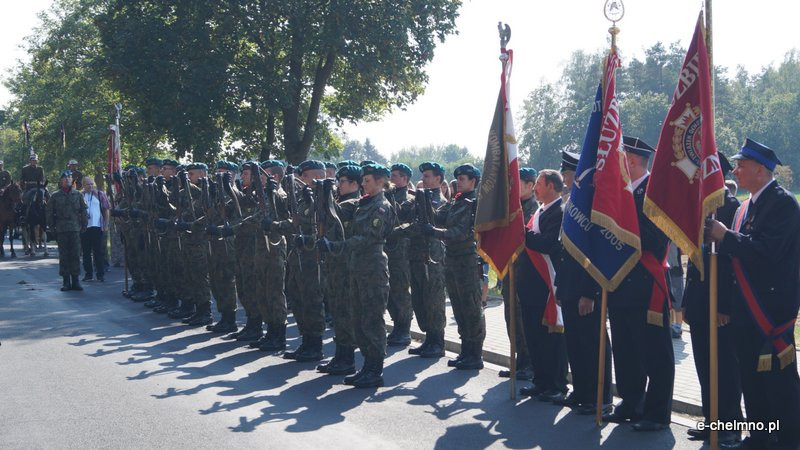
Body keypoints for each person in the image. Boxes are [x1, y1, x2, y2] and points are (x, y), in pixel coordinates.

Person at [706, 138, 800, 449]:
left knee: (779, 384)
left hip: (769, 311)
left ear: (760, 170)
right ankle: (759, 435)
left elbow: (768, 253)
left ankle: (786, 439)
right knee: (750, 380)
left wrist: (726, 236)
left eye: (741, 165)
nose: (735, 170)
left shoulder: (784, 204)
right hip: (745, 310)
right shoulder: (747, 205)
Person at [602, 136, 675, 432]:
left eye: (620, 158)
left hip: (646, 282)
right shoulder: (621, 193)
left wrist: (619, 224)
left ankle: (657, 413)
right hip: (620, 283)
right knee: (626, 348)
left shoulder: (653, 193)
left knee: (654, 351)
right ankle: (631, 402)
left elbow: (657, 239)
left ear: (631, 160)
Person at [683, 153, 744, 445]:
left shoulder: (732, 208)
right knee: (704, 366)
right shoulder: (698, 208)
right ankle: (711, 421)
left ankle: (730, 425)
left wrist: (724, 307)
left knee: (726, 369)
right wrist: (687, 300)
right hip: (698, 302)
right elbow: (693, 259)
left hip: (720, 306)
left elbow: (732, 264)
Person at [317, 163, 396, 388]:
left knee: (372, 320)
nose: (363, 184)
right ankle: (365, 368)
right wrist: (322, 193)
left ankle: (374, 369)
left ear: (380, 181)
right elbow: (337, 211)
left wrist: (335, 246)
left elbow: (368, 238)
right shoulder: (363, 202)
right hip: (357, 268)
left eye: (367, 180)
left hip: (372, 268)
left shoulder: (381, 206)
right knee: (359, 319)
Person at [555, 166, 613, 415]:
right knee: (575, 344)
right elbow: (565, 253)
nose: (565, 178)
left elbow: (594, 253)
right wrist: (560, 286)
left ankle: (600, 397)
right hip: (569, 285)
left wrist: (589, 292)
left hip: (585, 288)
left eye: (567, 173)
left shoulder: (591, 205)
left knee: (592, 344)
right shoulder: (570, 203)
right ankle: (581, 390)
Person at [426, 164, 486, 370]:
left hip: (466, 259)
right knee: (459, 306)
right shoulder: (456, 202)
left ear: (473, 182)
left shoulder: (474, 203)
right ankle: (465, 350)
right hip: (452, 258)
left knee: (471, 306)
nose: (458, 181)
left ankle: (475, 353)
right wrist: (425, 205)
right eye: (458, 178)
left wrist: (434, 231)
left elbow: (460, 232)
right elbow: (438, 216)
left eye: (463, 179)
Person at [517, 169, 569, 402]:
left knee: (551, 338)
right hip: (530, 285)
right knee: (534, 335)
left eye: (538, 183)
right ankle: (540, 380)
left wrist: (523, 235)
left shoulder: (559, 211)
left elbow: (550, 244)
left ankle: (556, 384)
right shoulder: (539, 210)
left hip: (547, 284)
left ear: (550, 186)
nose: (535, 187)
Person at [274, 160, 328, 362]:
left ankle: (315, 344)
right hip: (298, 256)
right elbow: (294, 222)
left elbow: (327, 230)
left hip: (313, 258)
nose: (300, 181)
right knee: (297, 298)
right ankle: (306, 340)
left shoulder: (324, 198)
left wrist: (308, 239)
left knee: (312, 300)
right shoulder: (302, 198)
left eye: (303, 177)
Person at [396, 161, 448, 359]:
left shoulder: (439, 201)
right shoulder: (417, 198)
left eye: (427, 176)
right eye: (423, 176)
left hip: (432, 257)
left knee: (433, 299)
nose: (423, 179)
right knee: (419, 298)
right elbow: (402, 214)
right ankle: (429, 338)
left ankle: (437, 341)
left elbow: (436, 220)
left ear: (438, 179)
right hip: (415, 255)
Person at [315, 164, 362, 375]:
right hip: (335, 264)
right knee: (337, 311)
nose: (339, 185)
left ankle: (347, 358)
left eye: (342, 182)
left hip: (346, 266)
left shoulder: (355, 202)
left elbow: (335, 212)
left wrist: (324, 193)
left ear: (354, 184)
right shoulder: (342, 200)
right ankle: (341, 355)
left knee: (345, 312)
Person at [499, 167, 537, 380]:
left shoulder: (533, 209)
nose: (513, 188)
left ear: (531, 186)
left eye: (519, 184)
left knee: (523, 319)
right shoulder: (511, 208)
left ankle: (529, 362)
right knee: (510, 317)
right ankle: (519, 359)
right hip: (510, 271)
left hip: (526, 273)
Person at [385, 163, 414, 347]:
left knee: (401, 291)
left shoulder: (410, 198)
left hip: (402, 252)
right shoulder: (388, 196)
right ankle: (396, 324)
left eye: (396, 176)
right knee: (389, 291)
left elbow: (404, 219)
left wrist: (390, 200)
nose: (392, 179)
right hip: (387, 250)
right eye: (391, 175)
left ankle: (404, 328)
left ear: (405, 179)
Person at [47, 170, 88, 291]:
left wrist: (84, 225)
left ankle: (76, 280)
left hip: (75, 228)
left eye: (69, 178)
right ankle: (66, 281)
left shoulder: (78, 195)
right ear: (61, 181)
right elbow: (49, 213)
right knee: (64, 255)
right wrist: (52, 227)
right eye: (65, 178)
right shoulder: (55, 196)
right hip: (61, 229)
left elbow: (84, 211)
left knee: (75, 254)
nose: (68, 180)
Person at [80, 177, 109, 282]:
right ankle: (88, 274)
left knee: (98, 251)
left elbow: (106, 210)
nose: (90, 186)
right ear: (83, 185)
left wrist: (105, 225)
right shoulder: (80, 195)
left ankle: (100, 274)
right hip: (84, 228)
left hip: (97, 227)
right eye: (88, 184)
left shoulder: (100, 194)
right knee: (86, 252)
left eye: (92, 184)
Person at [666, 242, 685, 338]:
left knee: (678, 300)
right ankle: (672, 324)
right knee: (670, 300)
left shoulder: (675, 236)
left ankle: (678, 326)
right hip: (666, 269)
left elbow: (682, 250)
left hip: (676, 269)